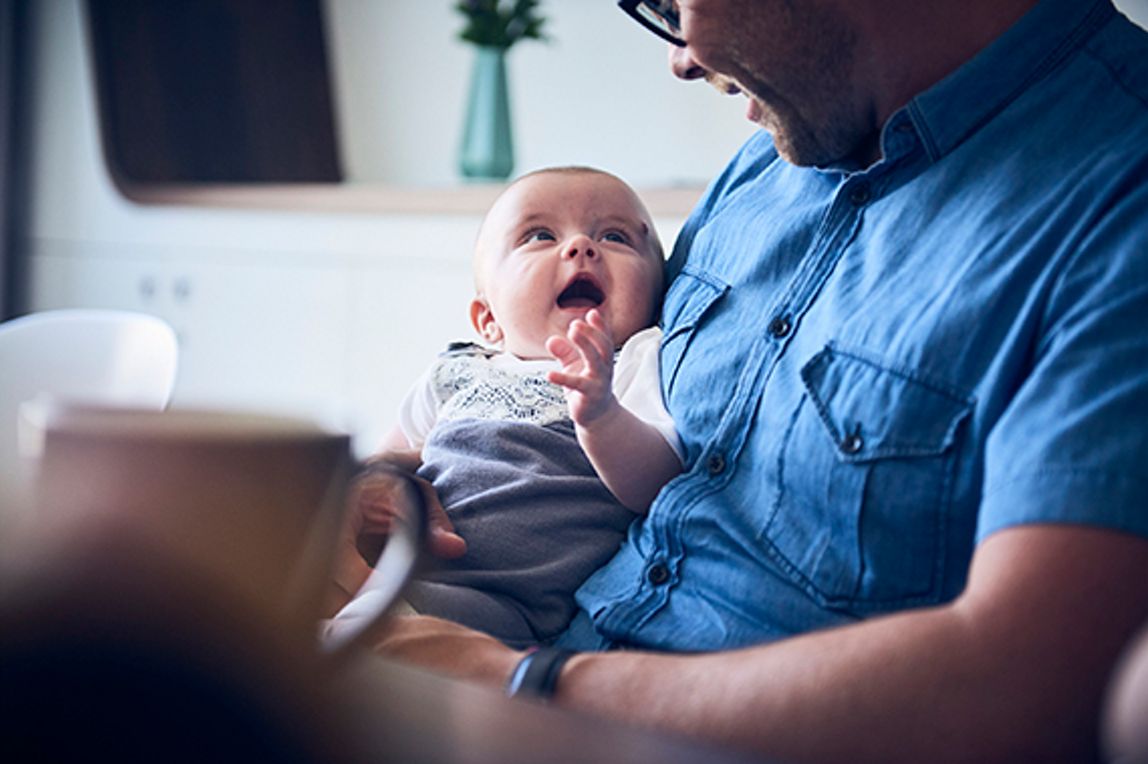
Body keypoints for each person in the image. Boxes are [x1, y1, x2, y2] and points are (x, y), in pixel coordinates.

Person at [346, 1, 1148, 760]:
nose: (681, 58)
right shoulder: (772, 154)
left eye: (672, 4)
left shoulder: (1120, 206)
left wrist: (519, 682)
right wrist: (380, 490)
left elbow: (1028, 680)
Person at [330, 166, 682, 648]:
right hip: (400, 565)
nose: (581, 247)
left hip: (498, 603)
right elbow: (383, 465)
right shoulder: (457, 370)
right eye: (540, 235)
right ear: (488, 319)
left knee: (358, 637)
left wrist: (601, 417)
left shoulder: (635, 360)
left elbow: (658, 485)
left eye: (615, 237)